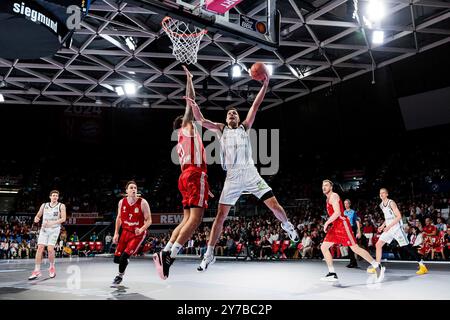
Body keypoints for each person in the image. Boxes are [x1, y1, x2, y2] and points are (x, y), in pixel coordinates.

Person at [187, 73, 299, 272]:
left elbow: (255, 106)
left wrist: (265, 85)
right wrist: (193, 105)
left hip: (251, 174)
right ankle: (209, 254)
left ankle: (287, 226)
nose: (232, 114)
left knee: (275, 206)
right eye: (229, 113)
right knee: (220, 216)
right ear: (225, 118)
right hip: (232, 177)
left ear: (238, 118)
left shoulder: (244, 127)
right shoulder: (221, 129)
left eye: (235, 113)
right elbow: (201, 120)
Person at [153, 66, 210, 280]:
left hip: (185, 177)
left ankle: (166, 249)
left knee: (186, 219)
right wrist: (190, 79)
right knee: (195, 220)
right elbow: (190, 101)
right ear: (184, 124)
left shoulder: (179, 141)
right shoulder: (187, 127)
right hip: (195, 174)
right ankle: (170, 255)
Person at [320, 180, 381, 282]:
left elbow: (338, 213)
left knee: (355, 249)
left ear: (331, 187)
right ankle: (332, 273)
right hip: (335, 226)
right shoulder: (327, 199)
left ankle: (376, 265)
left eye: (326, 185)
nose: (324, 187)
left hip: (342, 225)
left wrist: (326, 223)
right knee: (324, 247)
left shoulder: (334, 196)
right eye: (323, 186)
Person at [369, 188, 428, 280]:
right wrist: (382, 225)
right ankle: (377, 266)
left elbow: (399, 216)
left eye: (383, 193)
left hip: (396, 229)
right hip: (388, 229)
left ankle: (422, 265)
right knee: (378, 244)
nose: (381, 194)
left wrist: (388, 226)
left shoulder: (391, 203)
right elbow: (387, 218)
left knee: (407, 247)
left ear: (387, 194)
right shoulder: (381, 205)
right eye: (380, 193)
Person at [112, 181, 152, 286]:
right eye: (131, 188)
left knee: (124, 257)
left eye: (135, 188)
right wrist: (116, 233)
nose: (134, 189)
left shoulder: (143, 202)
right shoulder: (121, 202)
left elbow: (149, 220)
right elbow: (119, 218)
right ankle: (125, 262)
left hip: (137, 234)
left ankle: (119, 276)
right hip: (125, 232)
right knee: (117, 260)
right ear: (127, 191)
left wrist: (142, 229)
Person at [28, 190, 66, 280]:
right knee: (40, 247)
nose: (55, 197)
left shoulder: (61, 206)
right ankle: (37, 270)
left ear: (58, 197)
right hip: (44, 229)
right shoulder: (44, 205)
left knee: (50, 249)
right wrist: (36, 218)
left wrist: (52, 223)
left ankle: (52, 267)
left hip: (54, 229)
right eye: (53, 195)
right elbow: (38, 215)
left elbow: (63, 218)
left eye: (56, 195)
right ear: (50, 197)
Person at [343, 199, 361, 268]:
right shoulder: (344, 212)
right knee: (349, 247)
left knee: (352, 247)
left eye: (347, 203)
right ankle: (353, 262)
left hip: (352, 229)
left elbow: (357, 222)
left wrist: (359, 231)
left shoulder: (353, 212)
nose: (346, 205)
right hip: (346, 230)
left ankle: (353, 262)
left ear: (350, 204)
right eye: (345, 204)